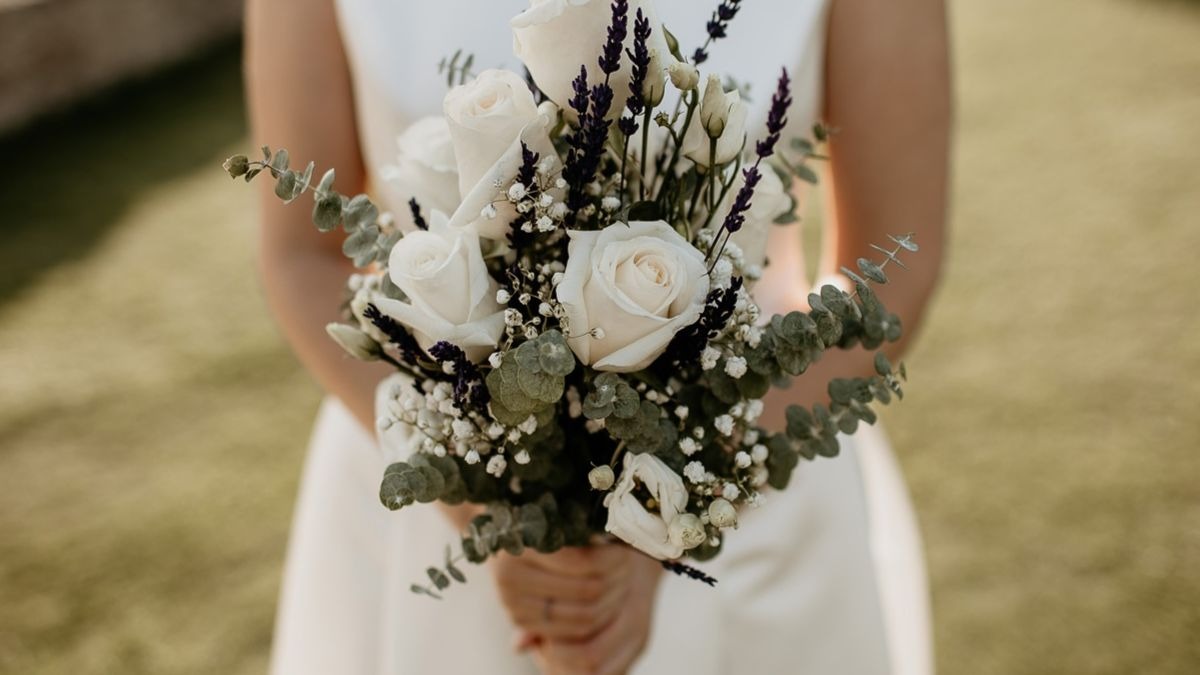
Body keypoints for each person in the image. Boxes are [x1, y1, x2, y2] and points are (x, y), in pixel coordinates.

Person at [246, 0, 949, 673]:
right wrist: (484, 505)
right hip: (430, 501)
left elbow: (891, 267)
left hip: (750, 490)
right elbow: (304, 256)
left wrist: (667, 510)